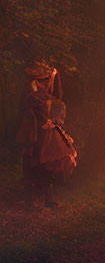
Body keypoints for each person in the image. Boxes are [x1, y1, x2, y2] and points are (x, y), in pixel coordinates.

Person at [18, 63, 77, 208]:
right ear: (36, 82)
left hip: (47, 136)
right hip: (32, 135)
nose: (45, 83)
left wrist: (51, 123)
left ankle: (48, 198)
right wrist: (42, 122)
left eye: (46, 80)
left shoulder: (50, 99)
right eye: (42, 80)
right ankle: (28, 202)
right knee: (30, 165)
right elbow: (29, 114)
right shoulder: (30, 98)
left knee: (46, 165)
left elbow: (58, 106)